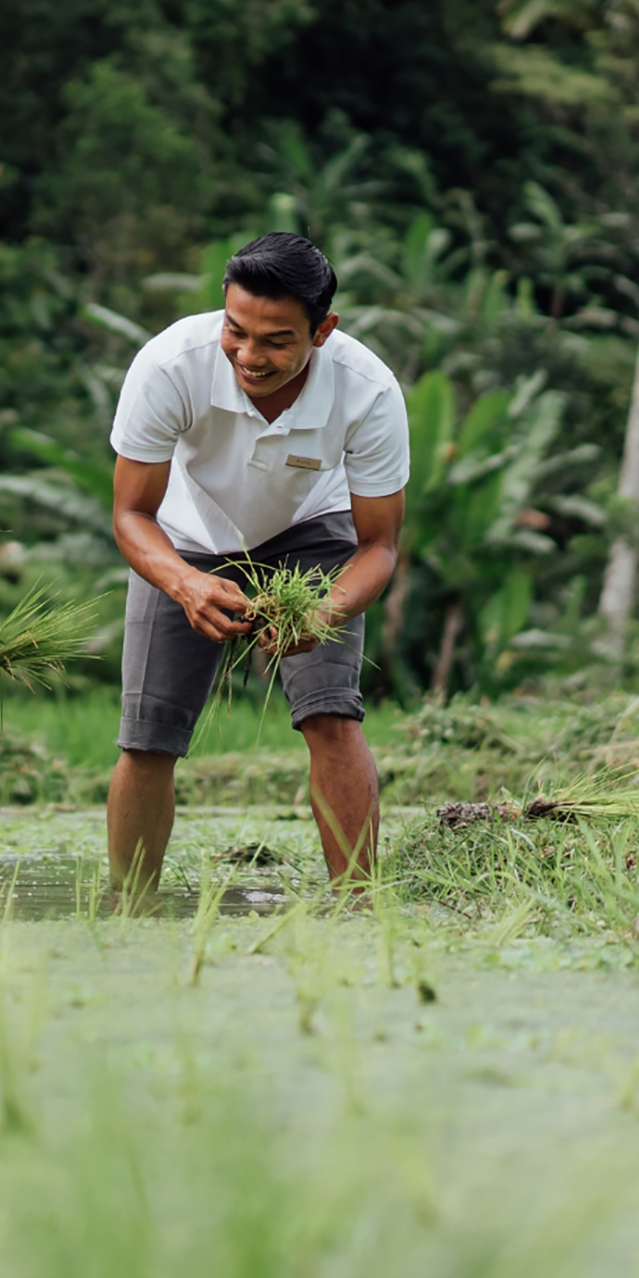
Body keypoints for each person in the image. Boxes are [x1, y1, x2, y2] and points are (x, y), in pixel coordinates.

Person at [107, 232, 408, 897]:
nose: (249, 354)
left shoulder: (368, 391)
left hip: (311, 532)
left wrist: (327, 610)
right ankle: (129, 908)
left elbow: (379, 546)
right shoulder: (168, 365)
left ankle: (356, 903)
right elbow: (131, 515)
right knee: (148, 735)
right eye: (236, 330)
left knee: (331, 713)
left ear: (322, 330)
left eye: (276, 340)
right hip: (182, 536)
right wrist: (184, 581)